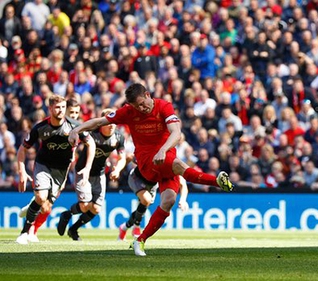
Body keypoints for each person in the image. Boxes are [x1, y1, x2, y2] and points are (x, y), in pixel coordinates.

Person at [68, 83, 234, 256]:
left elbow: (176, 133)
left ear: (147, 95)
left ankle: (140, 241)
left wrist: (163, 149)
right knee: (178, 165)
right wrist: (77, 129)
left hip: (165, 158)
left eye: (142, 103)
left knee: (168, 201)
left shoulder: (164, 106)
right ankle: (217, 181)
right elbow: (100, 121)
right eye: (136, 106)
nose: (141, 108)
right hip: (148, 161)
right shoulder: (128, 112)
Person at [16, 95, 95, 244]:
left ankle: (32, 208)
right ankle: (24, 232)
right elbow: (23, 148)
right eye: (57, 107)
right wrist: (22, 170)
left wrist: (87, 167)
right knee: (41, 197)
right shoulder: (40, 128)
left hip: (61, 171)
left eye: (63, 107)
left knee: (45, 207)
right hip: (43, 165)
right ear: (50, 108)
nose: (60, 110)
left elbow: (91, 143)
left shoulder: (75, 126)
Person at [57, 109, 127, 241]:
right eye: (108, 122)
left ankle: (73, 229)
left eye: (114, 122)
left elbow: (122, 157)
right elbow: (76, 124)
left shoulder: (118, 137)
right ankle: (67, 214)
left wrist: (117, 169)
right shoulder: (91, 133)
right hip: (83, 171)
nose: (112, 125)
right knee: (84, 206)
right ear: (101, 123)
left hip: (99, 174)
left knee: (96, 208)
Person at [118, 167, 189, 241]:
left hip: (152, 183)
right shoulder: (153, 158)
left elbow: (182, 184)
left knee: (143, 207)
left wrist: (183, 200)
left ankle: (124, 227)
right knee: (146, 200)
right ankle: (136, 226)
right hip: (137, 178)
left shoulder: (171, 165)